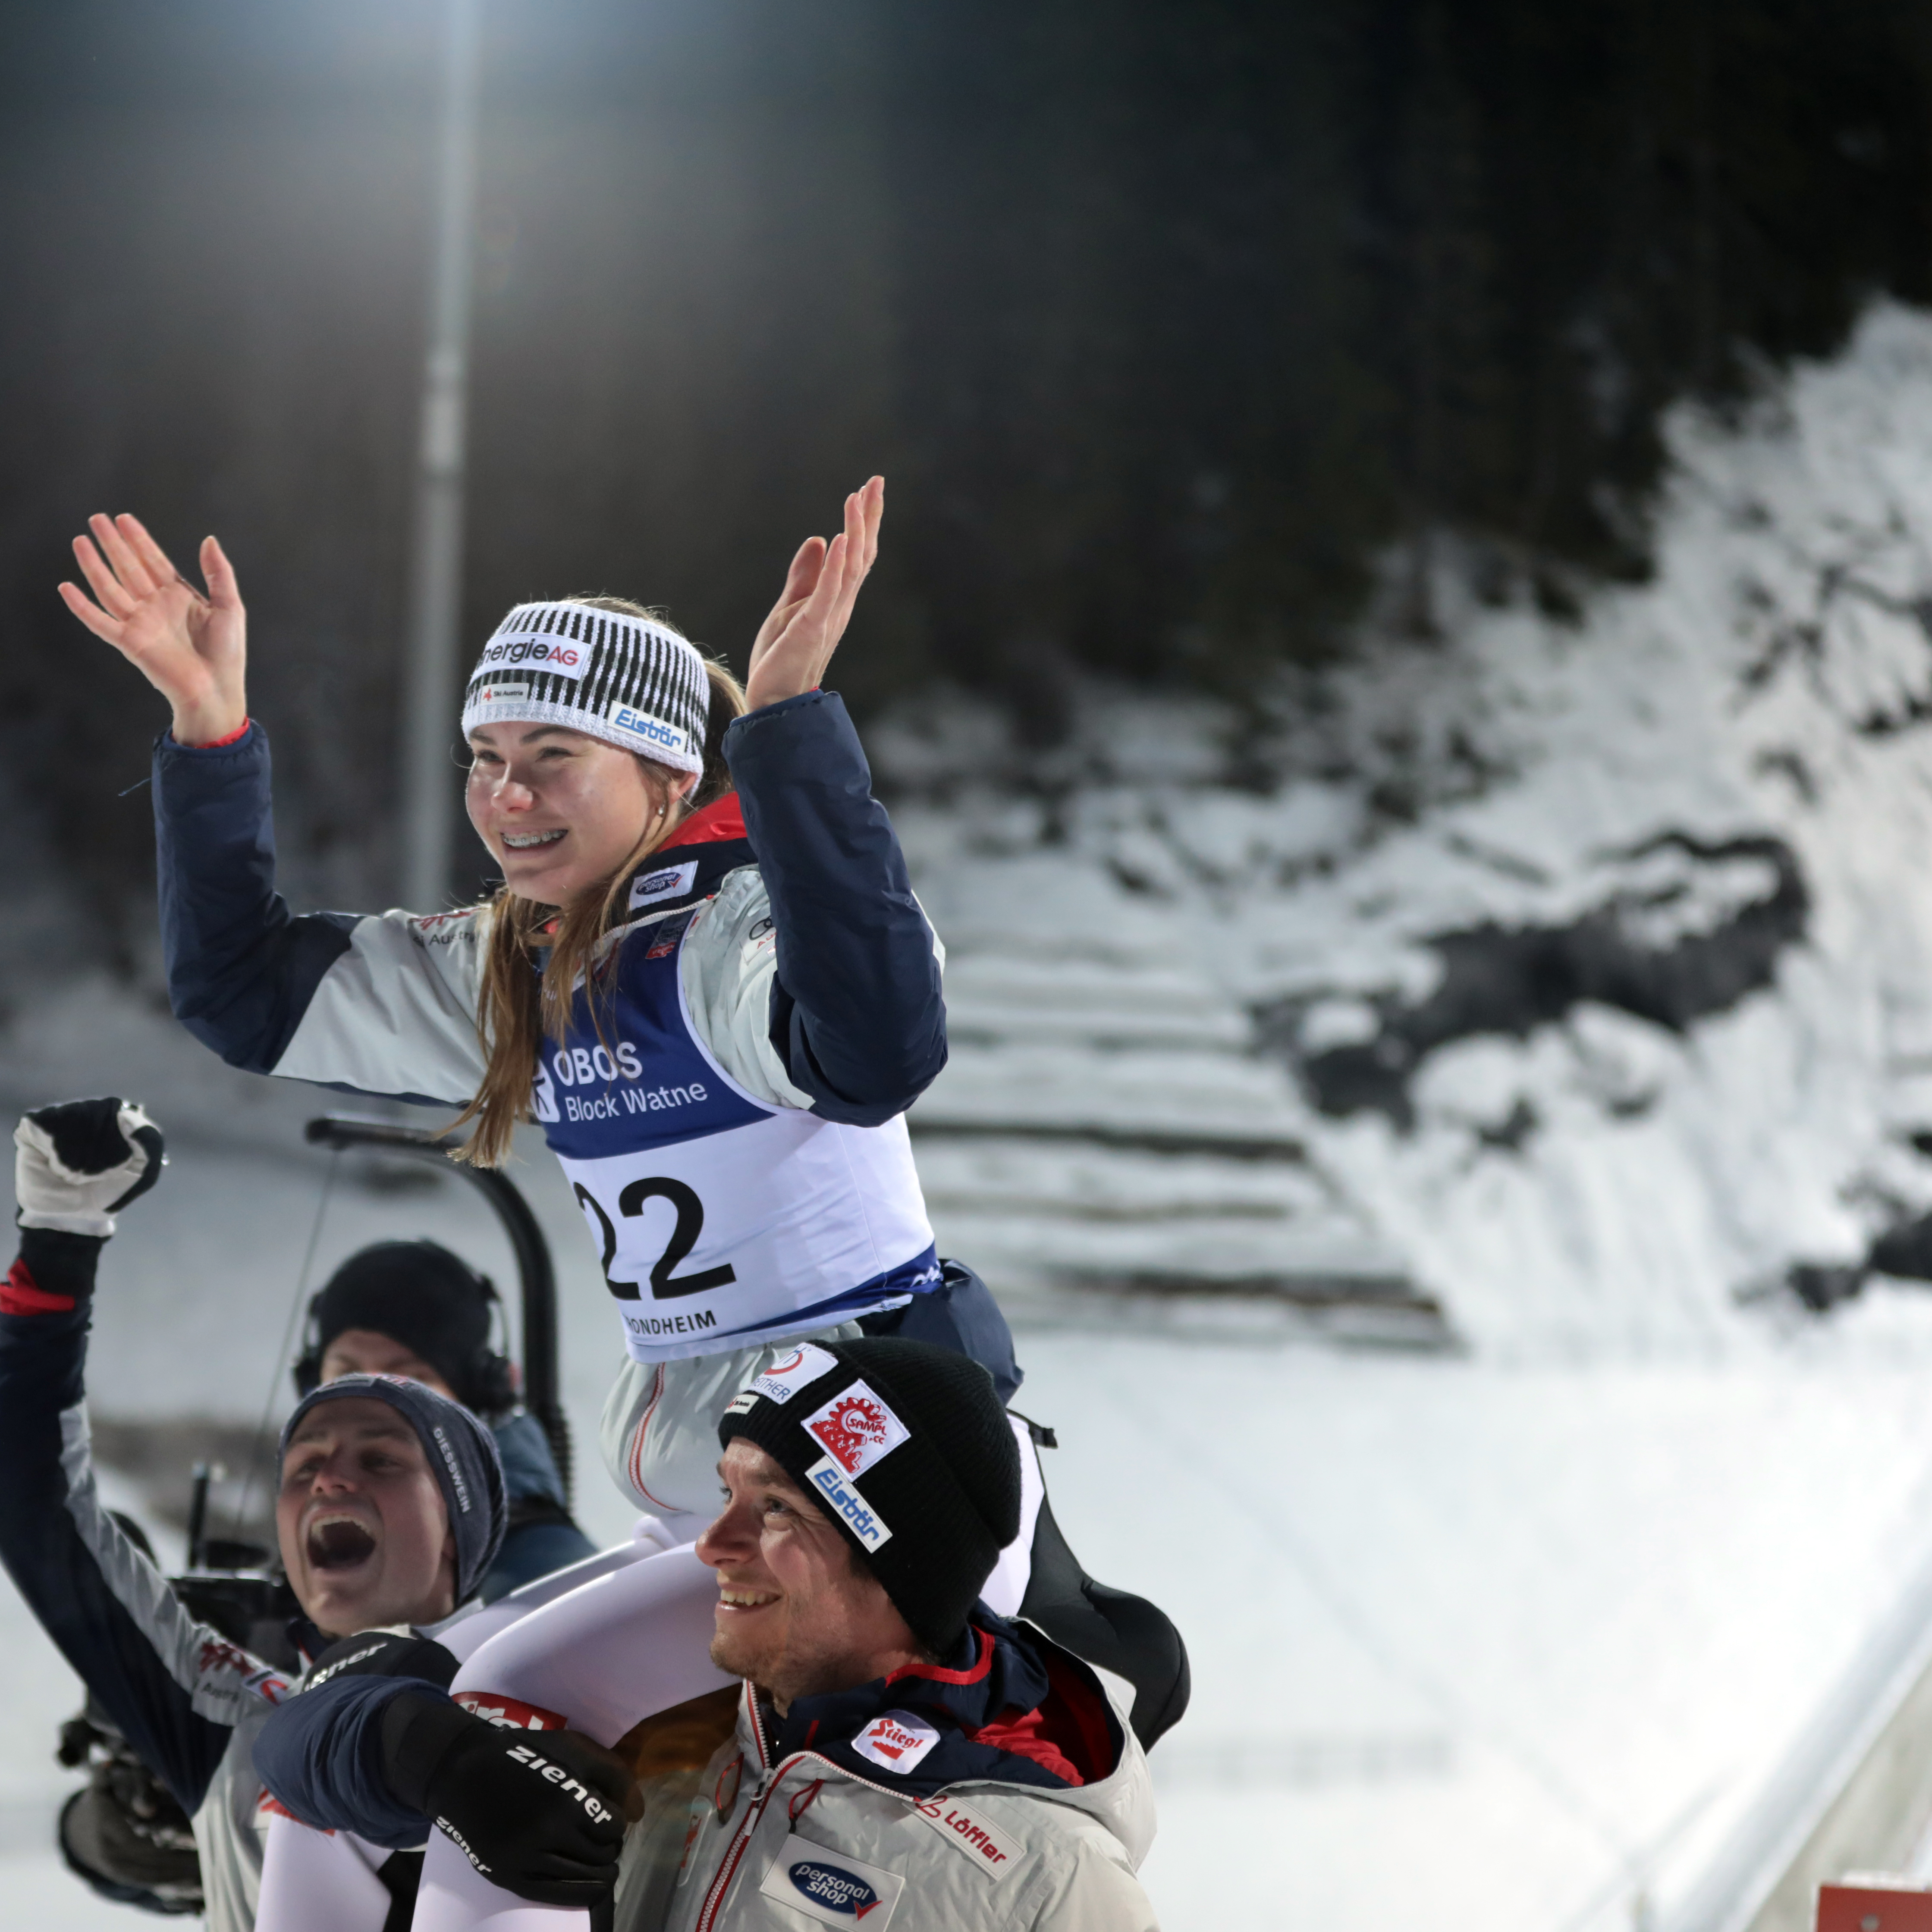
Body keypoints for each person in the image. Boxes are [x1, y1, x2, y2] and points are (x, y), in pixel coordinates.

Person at [63, 479, 1134, 1929]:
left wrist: (796, 728)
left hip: (869, 1504)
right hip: (704, 1505)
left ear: (663, 775)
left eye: (553, 757)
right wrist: (210, 727)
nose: (507, 797)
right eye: (485, 758)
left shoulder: (732, 929)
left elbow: (877, 1047)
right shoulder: (514, 968)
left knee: (487, 1736)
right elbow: (247, 995)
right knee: (330, 1766)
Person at [0, 1096, 635, 1932]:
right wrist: (59, 1239)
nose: (330, 1481)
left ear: (463, 1516)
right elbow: (30, 1507)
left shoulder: (552, 1667)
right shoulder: (231, 1699)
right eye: (306, 1461)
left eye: (383, 1456)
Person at [252, 1338, 1160, 1931]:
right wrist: (427, 1752)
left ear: (896, 1563)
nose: (712, 1546)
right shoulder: (664, 1686)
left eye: (773, 1508)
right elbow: (308, 1724)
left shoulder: (1050, 1884)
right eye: (726, 1490)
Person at [297, 1240, 597, 1595]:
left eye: (409, 1382)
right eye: (347, 1376)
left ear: (474, 1399)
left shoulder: (543, 1578)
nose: (370, 1404)